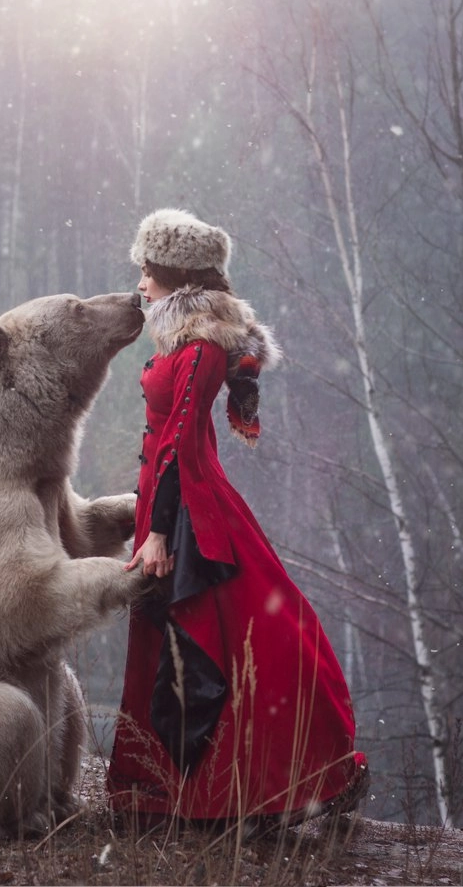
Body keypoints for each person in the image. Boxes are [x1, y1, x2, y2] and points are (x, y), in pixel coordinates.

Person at [107, 207, 369, 832]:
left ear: (173, 274)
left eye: (146, 271)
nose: (140, 284)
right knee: (190, 645)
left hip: (193, 514)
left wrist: (161, 533)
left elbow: (178, 442)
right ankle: (179, 793)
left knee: (229, 642)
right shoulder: (183, 338)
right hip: (173, 506)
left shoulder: (199, 346)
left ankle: (233, 792)